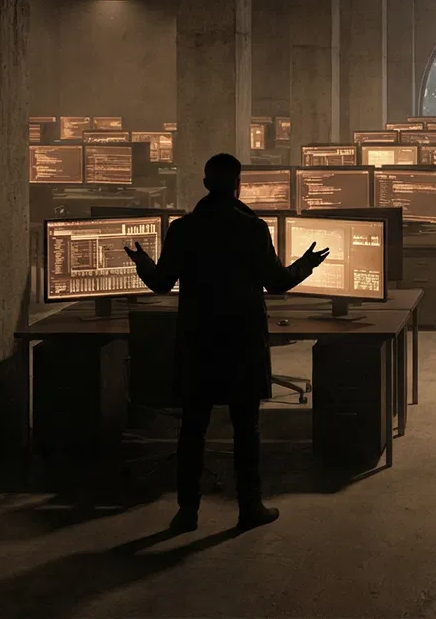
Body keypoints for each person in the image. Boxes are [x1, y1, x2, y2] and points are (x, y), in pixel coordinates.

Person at [125, 152, 328, 534]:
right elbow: (279, 283)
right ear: (238, 186)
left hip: (198, 339)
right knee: (246, 428)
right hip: (242, 341)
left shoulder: (184, 229)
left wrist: (143, 263)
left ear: (205, 184)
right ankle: (249, 506)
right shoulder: (253, 229)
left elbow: (161, 284)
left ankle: (187, 512)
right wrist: (306, 263)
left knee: (193, 428)